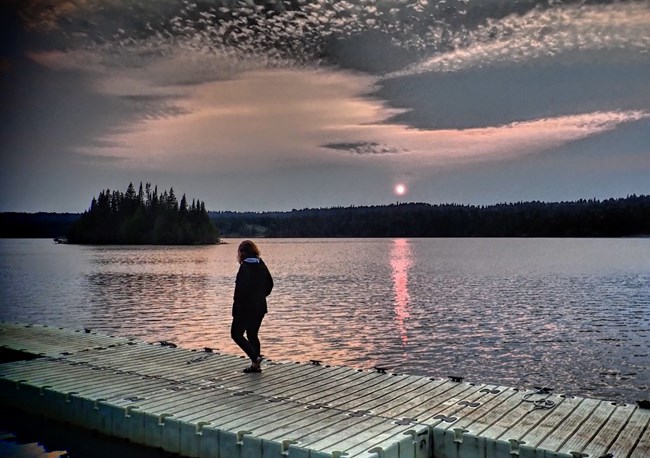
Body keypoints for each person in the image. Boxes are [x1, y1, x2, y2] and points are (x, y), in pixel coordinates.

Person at [231, 240, 274, 373]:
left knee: (236, 334)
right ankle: (256, 366)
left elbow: (239, 291)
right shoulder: (261, 264)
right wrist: (261, 296)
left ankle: (255, 358)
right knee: (252, 334)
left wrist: (236, 308)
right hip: (260, 306)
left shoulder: (245, 267)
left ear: (242, 253)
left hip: (244, 307)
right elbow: (270, 284)